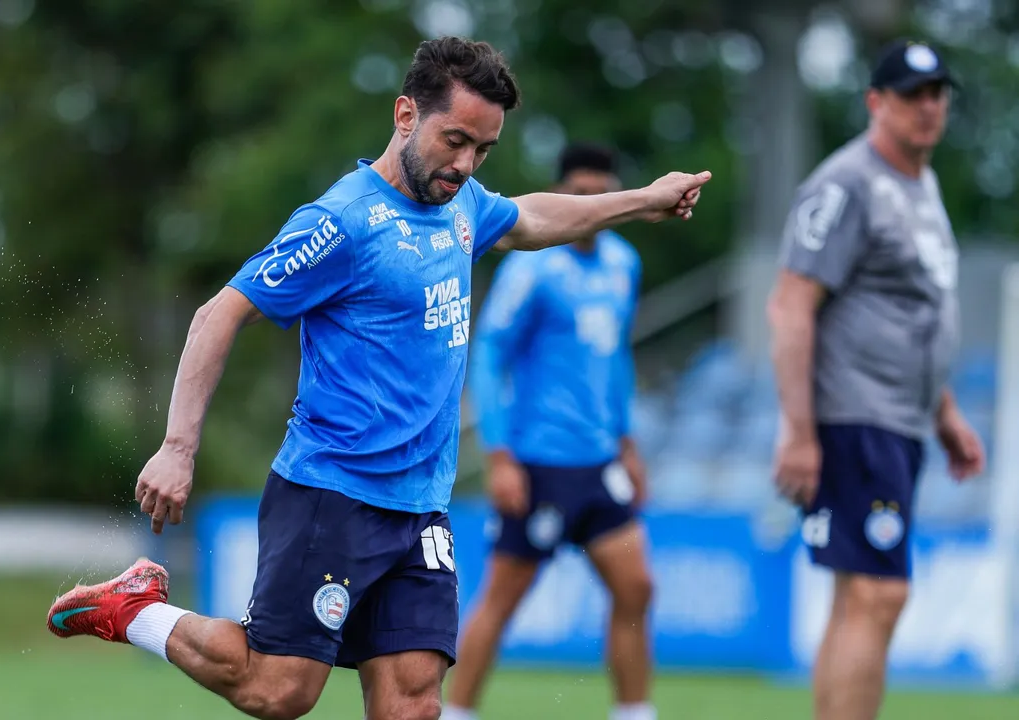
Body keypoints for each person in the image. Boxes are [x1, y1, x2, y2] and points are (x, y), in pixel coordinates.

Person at [46, 36, 710, 720]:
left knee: (413, 702)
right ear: (404, 116)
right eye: (454, 141)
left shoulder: (463, 206)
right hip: (331, 496)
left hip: (421, 507)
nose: (464, 165)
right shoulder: (342, 224)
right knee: (278, 691)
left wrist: (641, 202)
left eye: (482, 150)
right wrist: (178, 448)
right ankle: (134, 611)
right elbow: (218, 315)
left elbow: (535, 216)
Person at [767, 39, 984, 720]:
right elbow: (790, 305)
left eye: (937, 93)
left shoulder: (922, 186)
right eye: (912, 94)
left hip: (898, 419)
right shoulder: (846, 183)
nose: (928, 107)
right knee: (877, 594)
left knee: (861, 595)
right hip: (854, 416)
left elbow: (910, 314)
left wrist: (943, 413)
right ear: (875, 102)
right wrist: (799, 432)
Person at [441, 143, 657, 720]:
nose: (590, 204)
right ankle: (457, 712)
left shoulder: (622, 263)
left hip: (599, 460)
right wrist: (502, 456)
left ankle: (634, 711)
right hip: (539, 463)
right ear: (563, 195)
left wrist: (628, 442)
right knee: (503, 599)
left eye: (600, 193)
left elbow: (615, 359)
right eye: (579, 194)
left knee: (636, 590)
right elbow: (490, 357)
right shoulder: (532, 266)